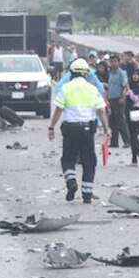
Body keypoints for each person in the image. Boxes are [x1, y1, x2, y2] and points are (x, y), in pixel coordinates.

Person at [48, 59, 110, 204]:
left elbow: (58, 109)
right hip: (87, 130)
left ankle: (71, 182)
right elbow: (101, 110)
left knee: (68, 159)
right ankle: (87, 194)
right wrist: (107, 128)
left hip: (70, 129)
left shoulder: (66, 88)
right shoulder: (92, 89)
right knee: (89, 162)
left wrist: (51, 127)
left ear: (71, 73)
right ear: (86, 74)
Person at [106, 54, 129, 149]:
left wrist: (122, 97)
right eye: (112, 61)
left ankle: (127, 141)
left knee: (120, 121)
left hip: (118, 99)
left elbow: (126, 87)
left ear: (119, 62)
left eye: (115, 61)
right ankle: (114, 142)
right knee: (112, 122)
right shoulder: (111, 73)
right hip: (111, 99)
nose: (113, 63)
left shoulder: (122, 73)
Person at [125, 71, 139, 166]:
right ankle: (134, 159)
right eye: (133, 74)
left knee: (134, 136)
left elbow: (136, 99)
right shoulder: (131, 85)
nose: (135, 76)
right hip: (129, 111)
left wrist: (129, 90)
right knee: (132, 136)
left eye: (137, 74)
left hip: (137, 112)